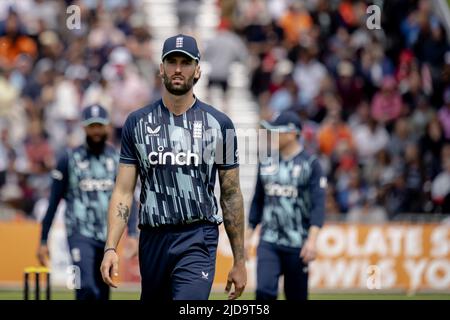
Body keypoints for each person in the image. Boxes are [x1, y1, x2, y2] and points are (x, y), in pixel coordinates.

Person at [100, 34, 247, 301]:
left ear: (198, 69)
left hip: (198, 236)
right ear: (161, 68)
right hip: (153, 238)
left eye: (186, 62)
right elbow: (123, 191)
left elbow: (231, 194)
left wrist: (239, 260)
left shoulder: (221, 125)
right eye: (171, 61)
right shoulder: (137, 123)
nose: (178, 69)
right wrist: (111, 247)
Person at [37, 104, 139, 300]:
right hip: (79, 232)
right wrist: (43, 240)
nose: (96, 131)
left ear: (108, 127)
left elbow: (129, 198)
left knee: (102, 291)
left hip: (109, 235)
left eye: (99, 126)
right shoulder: (69, 159)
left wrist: (133, 234)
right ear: (84, 127)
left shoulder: (117, 159)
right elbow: (53, 202)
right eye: (92, 126)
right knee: (86, 287)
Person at [247, 110, 326, 300]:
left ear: (292, 133)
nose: (272, 135)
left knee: (296, 297)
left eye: (277, 131)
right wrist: (246, 238)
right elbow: (257, 202)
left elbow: (318, 205)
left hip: (298, 244)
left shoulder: (311, 164)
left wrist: (312, 241)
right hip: (269, 241)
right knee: (264, 292)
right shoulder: (266, 163)